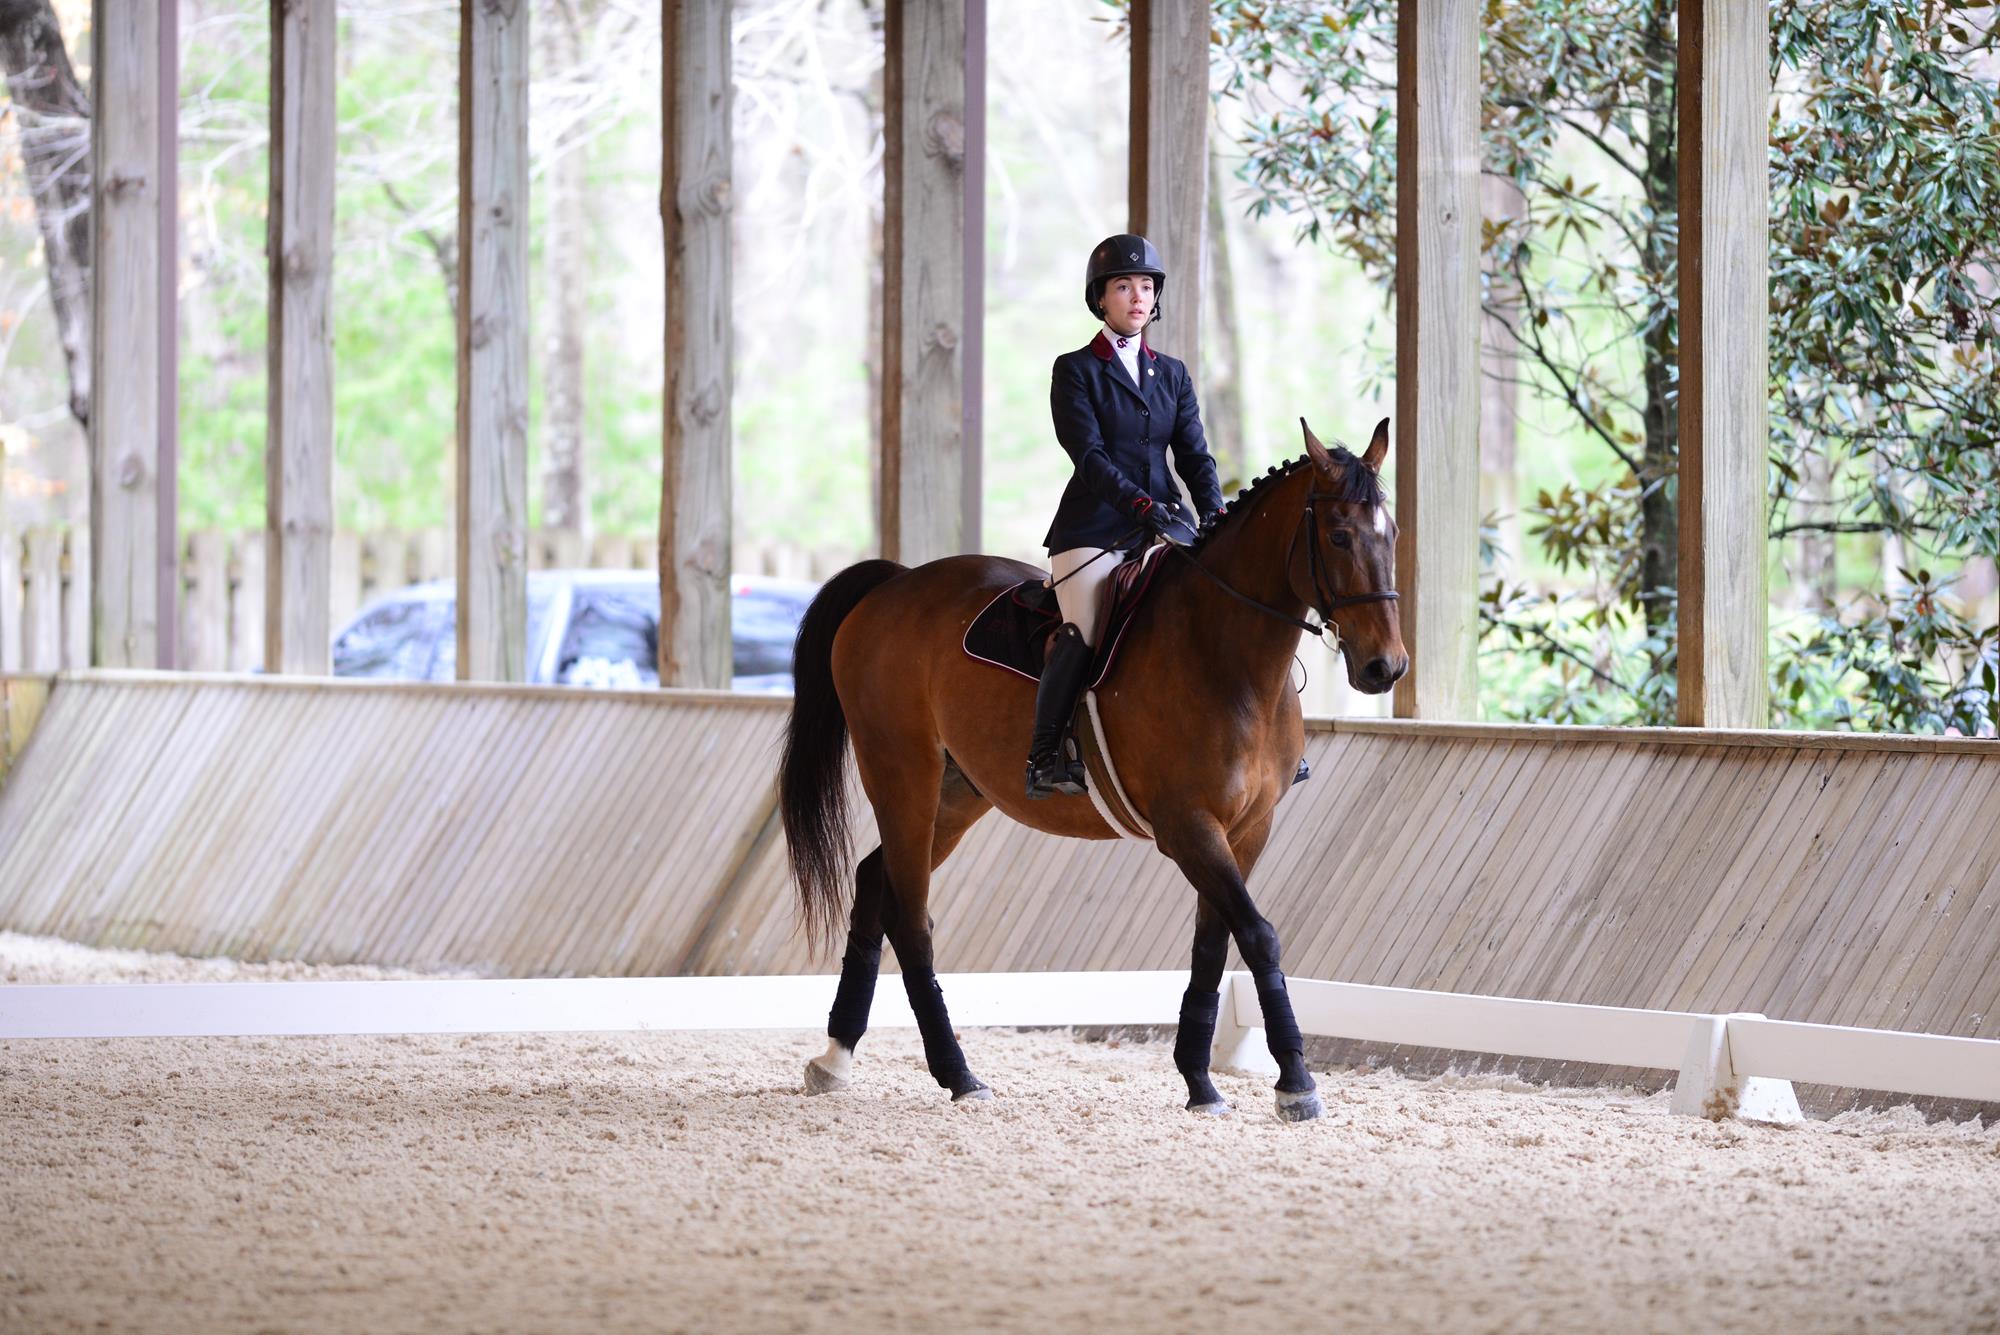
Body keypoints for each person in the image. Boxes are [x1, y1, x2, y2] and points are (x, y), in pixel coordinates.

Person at [1026, 233, 1225, 799]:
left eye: (1145, 286)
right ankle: (1044, 756)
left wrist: (1214, 514)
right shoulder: (1075, 370)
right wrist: (1141, 505)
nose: (1137, 296)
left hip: (1166, 524)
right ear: (1101, 298)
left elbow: (1194, 456)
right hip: (1094, 528)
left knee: (1225, 603)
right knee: (1084, 629)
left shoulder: (1174, 374)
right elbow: (1088, 457)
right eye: (1123, 286)